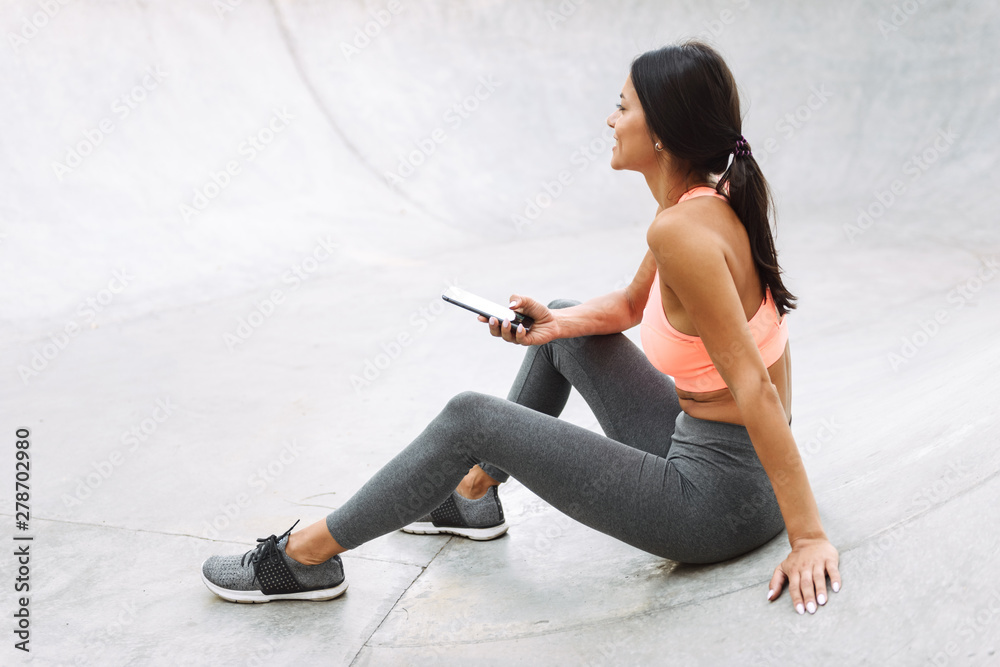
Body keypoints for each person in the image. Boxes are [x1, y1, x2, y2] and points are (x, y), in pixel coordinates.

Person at [202, 40, 841, 616]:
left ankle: (305, 558)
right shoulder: (702, 203)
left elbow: (754, 388)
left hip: (718, 506)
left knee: (470, 416)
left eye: (622, 108)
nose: (610, 121)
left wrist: (807, 535)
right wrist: (551, 325)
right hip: (719, 458)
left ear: (664, 134)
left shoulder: (680, 232)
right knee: (568, 323)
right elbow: (625, 306)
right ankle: (470, 498)